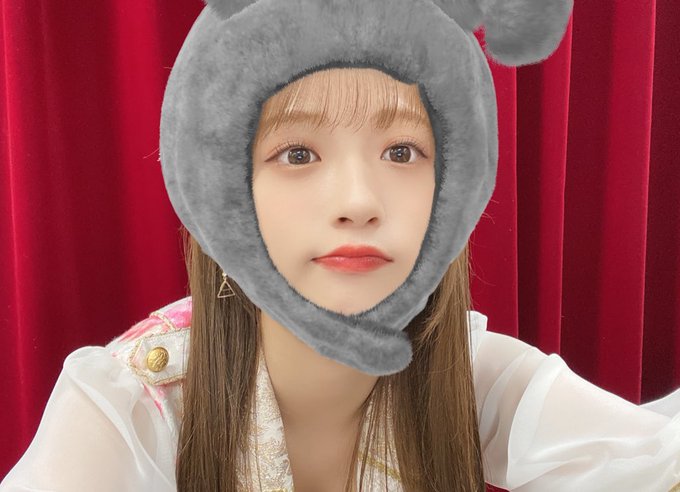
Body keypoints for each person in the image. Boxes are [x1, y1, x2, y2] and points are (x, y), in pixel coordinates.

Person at [3, 0, 680, 491]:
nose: (358, 200)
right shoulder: (128, 403)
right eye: (297, 153)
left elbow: (651, 459)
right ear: (222, 189)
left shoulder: (473, 374)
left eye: (402, 151)